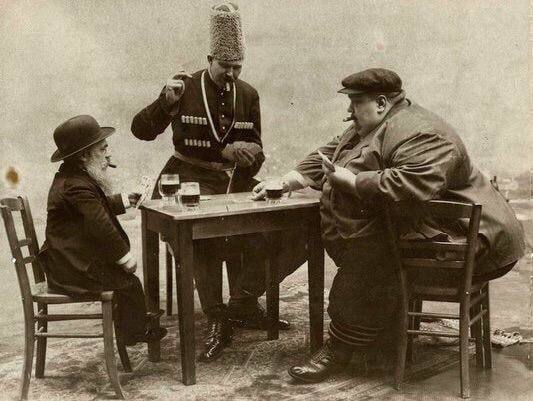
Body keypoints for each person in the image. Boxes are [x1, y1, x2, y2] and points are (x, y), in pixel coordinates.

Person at [253, 68, 525, 383]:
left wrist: (353, 181)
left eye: (356, 103)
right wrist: (287, 180)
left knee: (371, 253)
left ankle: (341, 346)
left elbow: (412, 185)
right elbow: (329, 154)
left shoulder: (423, 133)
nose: (349, 111)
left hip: (472, 239)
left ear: (381, 103)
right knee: (375, 245)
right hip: (439, 227)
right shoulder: (373, 125)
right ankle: (380, 336)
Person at [131, 3, 292, 361]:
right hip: (185, 179)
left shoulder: (248, 94)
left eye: (237, 67)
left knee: (272, 224)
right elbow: (141, 131)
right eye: (225, 66)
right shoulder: (183, 88)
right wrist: (164, 103)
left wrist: (249, 157)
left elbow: (257, 148)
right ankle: (217, 317)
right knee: (200, 235)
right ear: (209, 59)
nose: (231, 74)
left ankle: (243, 303)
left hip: (231, 181)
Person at [39, 114, 167, 346]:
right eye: (103, 149)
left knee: (125, 281)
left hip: (69, 260)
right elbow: (100, 224)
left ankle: (133, 326)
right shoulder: (76, 186)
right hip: (70, 268)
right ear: (84, 155)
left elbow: (94, 208)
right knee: (128, 282)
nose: (108, 154)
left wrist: (125, 200)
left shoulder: (74, 179)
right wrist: (124, 257)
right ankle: (135, 332)